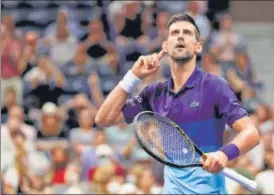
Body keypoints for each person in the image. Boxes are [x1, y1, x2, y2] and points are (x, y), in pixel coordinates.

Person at [95, 13, 260, 194]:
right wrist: (133, 76)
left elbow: (251, 133)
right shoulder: (154, 93)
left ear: (198, 46)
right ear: (165, 46)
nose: (180, 36)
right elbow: (104, 119)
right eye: (174, 33)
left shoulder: (214, 86)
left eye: (187, 33)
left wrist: (223, 154)